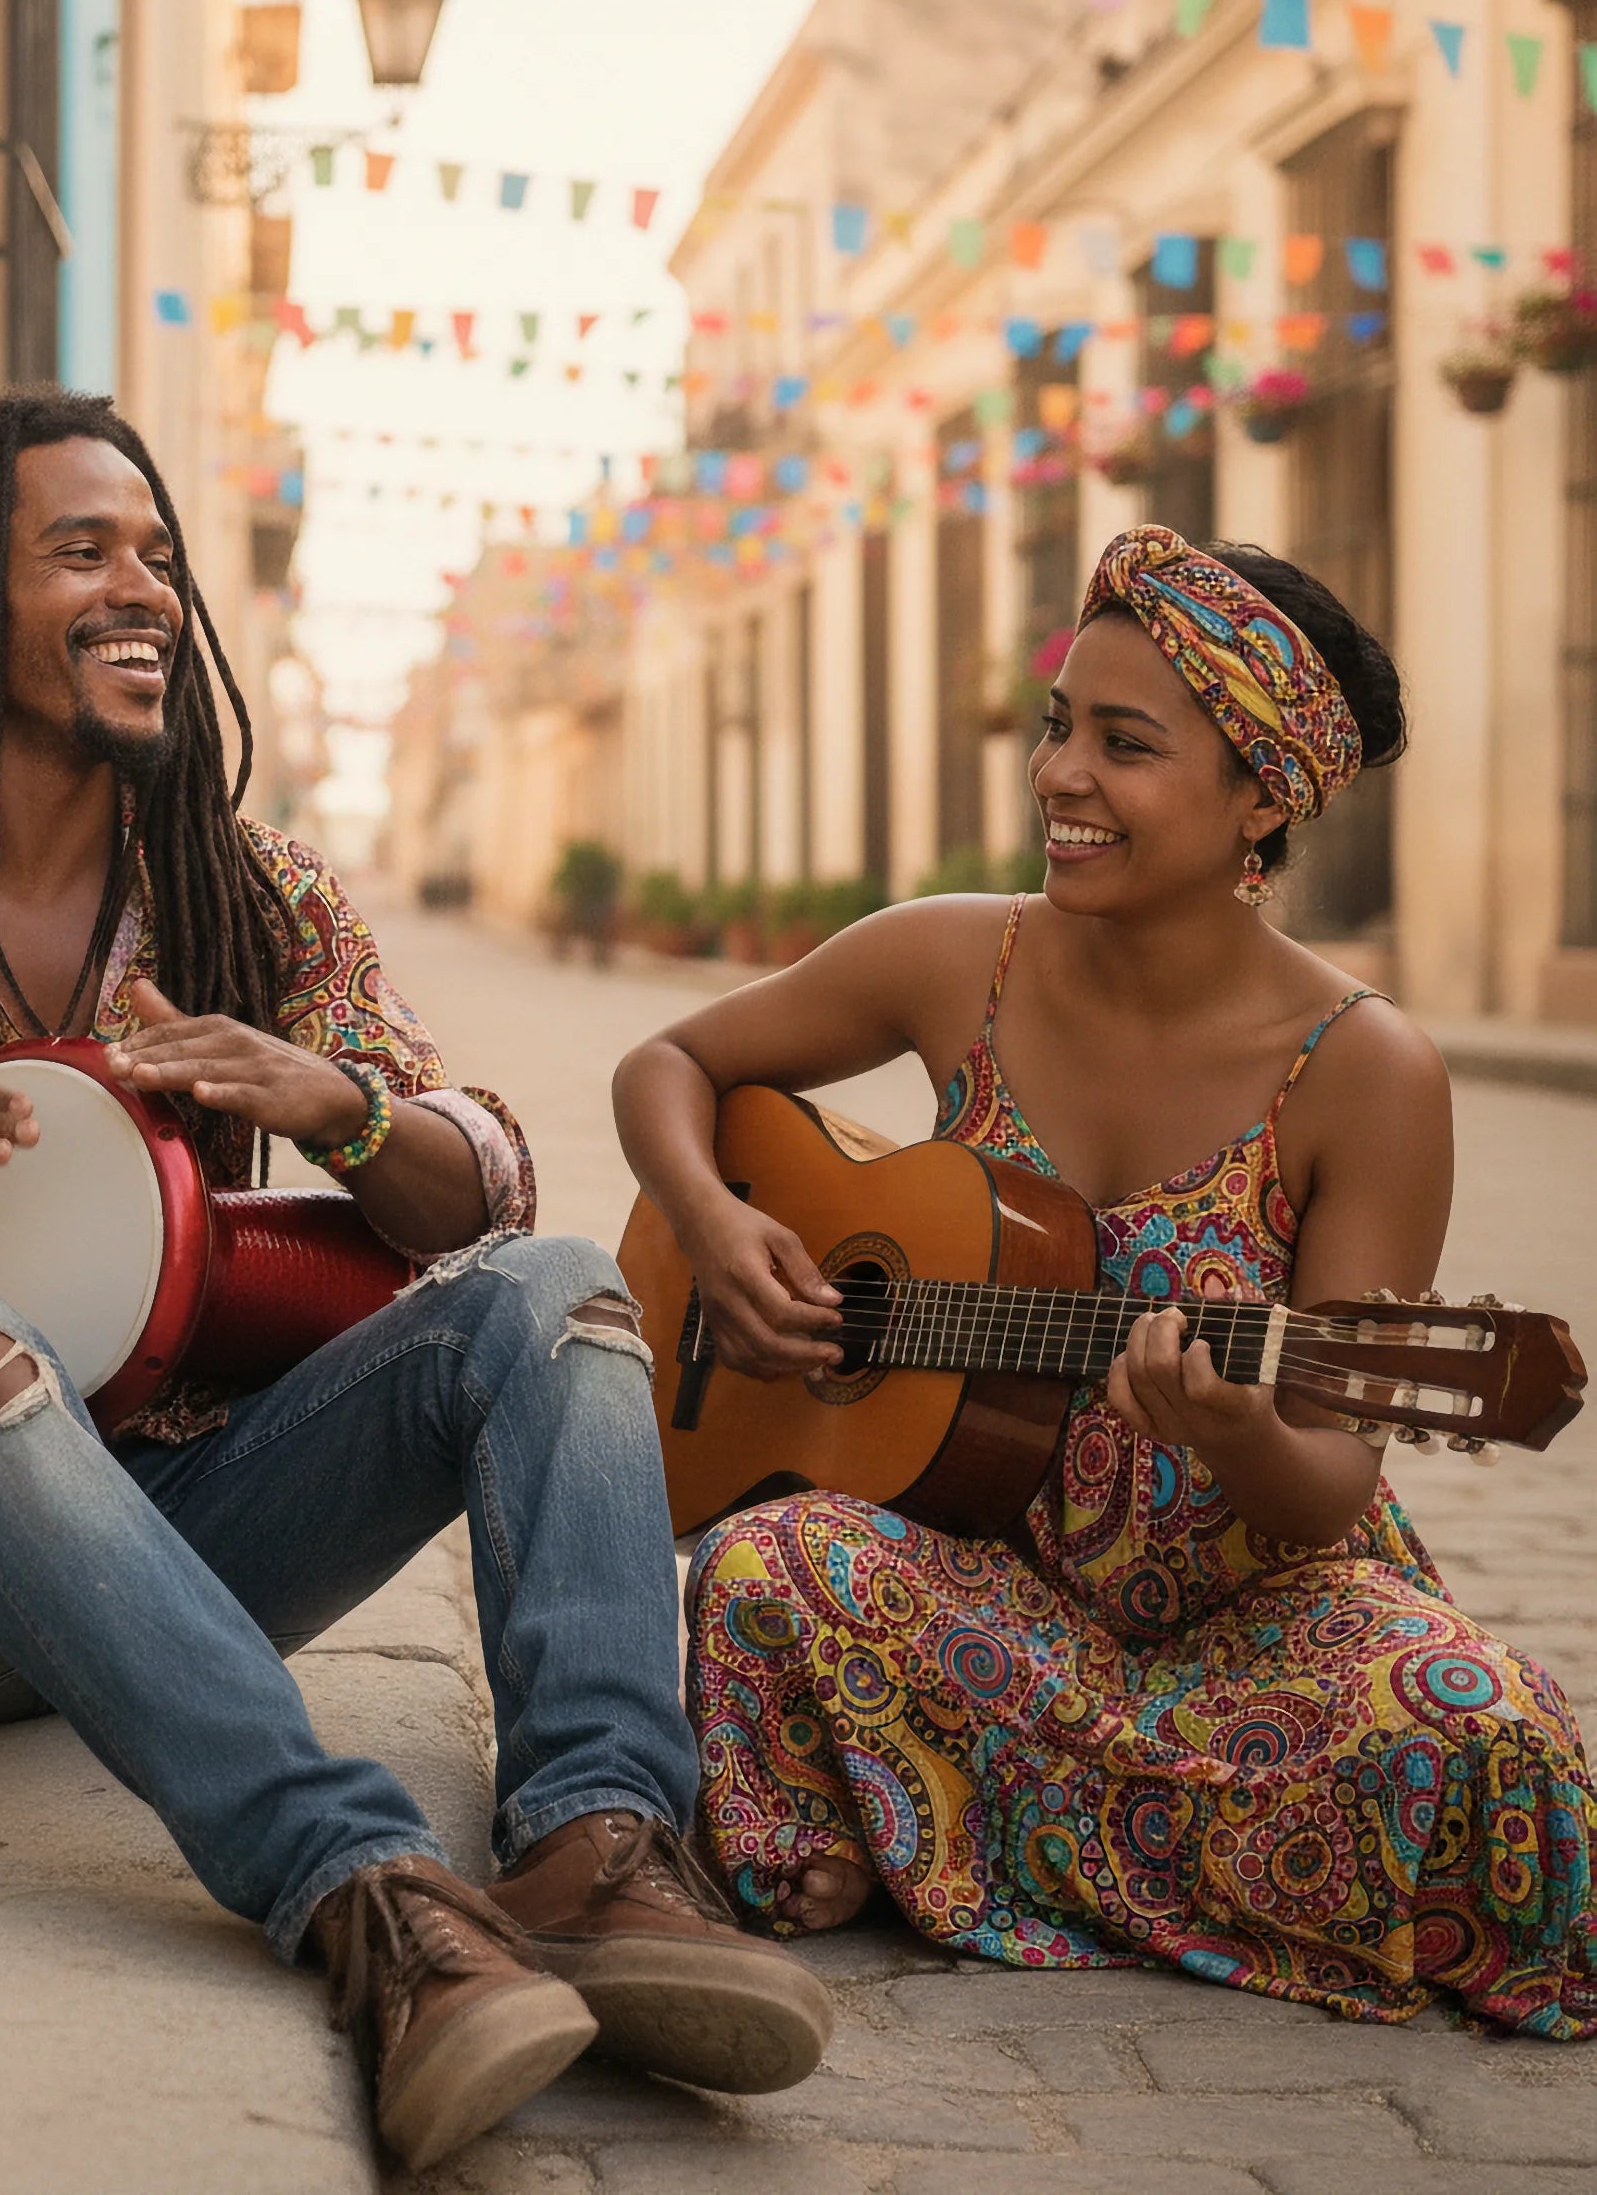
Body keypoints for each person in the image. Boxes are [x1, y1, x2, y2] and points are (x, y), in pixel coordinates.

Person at [0, 389, 830, 2170]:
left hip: (195, 1527)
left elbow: (488, 1170)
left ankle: (598, 1842)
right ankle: (365, 1896)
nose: (144, 589)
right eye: (80, 552)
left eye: (158, 555)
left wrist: (342, 1105)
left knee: (562, 1283)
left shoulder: (244, 895)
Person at [615, 524, 1597, 2036]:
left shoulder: (1366, 1071)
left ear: (1264, 796)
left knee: (1483, 1740)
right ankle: (1060, 1838)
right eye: (1062, 724)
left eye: (1124, 746)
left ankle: (937, 1829)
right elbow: (673, 1064)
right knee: (767, 1568)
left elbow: (1333, 1482)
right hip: (986, 1582)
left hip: (1259, 1622)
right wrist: (717, 1220)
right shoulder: (960, 963)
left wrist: (1237, 1428)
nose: (1061, 775)